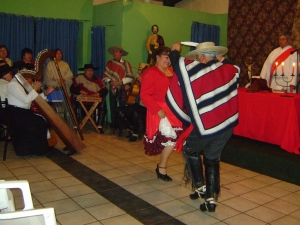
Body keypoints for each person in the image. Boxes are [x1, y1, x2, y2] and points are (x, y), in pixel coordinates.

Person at [167, 42, 240, 212]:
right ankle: (211, 199)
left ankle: (200, 186)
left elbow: (178, 66)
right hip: (225, 127)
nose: (198, 59)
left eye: (199, 56)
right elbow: (235, 66)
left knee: (190, 150)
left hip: (206, 126)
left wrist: (175, 50)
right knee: (212, 159)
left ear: (202, 56)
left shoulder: (197, 70)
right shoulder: (229, 70)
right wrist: (219, 57)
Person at [140, 46, 183, 182]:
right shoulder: (150, 72)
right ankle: (162, 167)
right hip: (158, 110)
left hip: (172, 110)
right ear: (157, 57)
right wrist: (157, 110)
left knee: (173, 141)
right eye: (166, 57)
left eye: (170, 58)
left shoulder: (171, 71)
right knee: (170, 140)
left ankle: (161, 166)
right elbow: (144, 95)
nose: (168, 60)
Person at [1, 63, 55, 156]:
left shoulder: (20, 83)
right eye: (25, 72)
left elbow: (32, 98)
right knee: (40, 122)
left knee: (41, 121)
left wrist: (46, 93)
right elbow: (27, 99)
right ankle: (39, 150)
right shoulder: (13, 84)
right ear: (18, 72)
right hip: (17, 114)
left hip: (23, 112)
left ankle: (37, 148)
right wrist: (35, 88)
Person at [115, 62, 148, 142]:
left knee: (135, 111)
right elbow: (132, 91)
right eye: (139, 69)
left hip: (145, 106)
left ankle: (135, 133)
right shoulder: (136, 80)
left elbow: (148, 90)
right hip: (135, 104)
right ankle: (131, 128)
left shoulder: (148, 80)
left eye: (142, 70)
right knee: (117, 110)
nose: (140, 71)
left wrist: (141, 80)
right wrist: (128, 88)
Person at [71, 64, 108, 134]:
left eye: (91, 70)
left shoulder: (97, 79)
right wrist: (79, 91)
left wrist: (98, 94)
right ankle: (76, 125)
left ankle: (99, 126)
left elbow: (105, 90)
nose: (90, 72)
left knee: (103, 103)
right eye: (88, 70)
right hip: (81, 101)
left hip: (93, 102)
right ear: (84, 71)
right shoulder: (79, 77)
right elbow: (72, 88)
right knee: (73, 103)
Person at [102, 46, 134, 129]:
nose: (115, 53)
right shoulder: (109, 63)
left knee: (122, 106)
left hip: (123, 88)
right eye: (114, 52)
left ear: (121, 53)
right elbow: (105, 76)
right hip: (112, 87)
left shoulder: (126, 64)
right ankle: (114, 123)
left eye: (117, 51)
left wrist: (120, 82)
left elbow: (130, 77)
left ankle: (122, 125)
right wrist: (111, 82)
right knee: (113, 106)